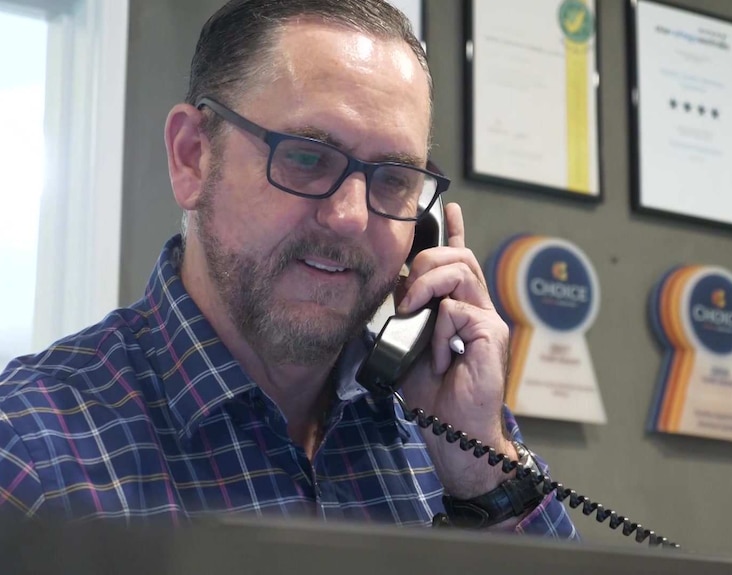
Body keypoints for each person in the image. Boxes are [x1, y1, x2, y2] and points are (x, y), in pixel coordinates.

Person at [0, 0, 577, 538]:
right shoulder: (29, 456)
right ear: (192, 157)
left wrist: (480, 474)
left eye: (394, 178)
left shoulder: (442, 433)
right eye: (306, 157)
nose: (351, 217)